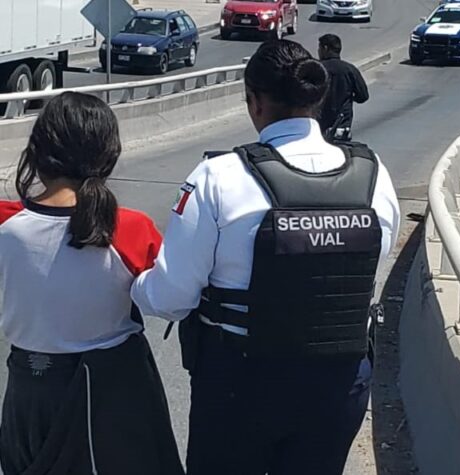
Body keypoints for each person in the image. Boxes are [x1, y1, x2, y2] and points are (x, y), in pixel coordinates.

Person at [131, 40, 400, 475]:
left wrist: (134, 283)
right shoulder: (373, 175)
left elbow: (171, 298)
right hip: (339, 386)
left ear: (254, 102)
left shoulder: (218, 178)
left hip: (240, 386)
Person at [0, 92, 184, 475]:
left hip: (28, 390)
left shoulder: (7, 224)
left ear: (37, 152)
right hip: (113, 393)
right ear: (108, 155)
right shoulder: (128, 228)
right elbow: (171, 301)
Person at [317, 33, 370, 141]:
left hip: (319, 126)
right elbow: (363, 96)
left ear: (325, 48)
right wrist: (348, 98)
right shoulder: (350, 69)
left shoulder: (317, 69)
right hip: (342, 126)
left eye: (319, 48)